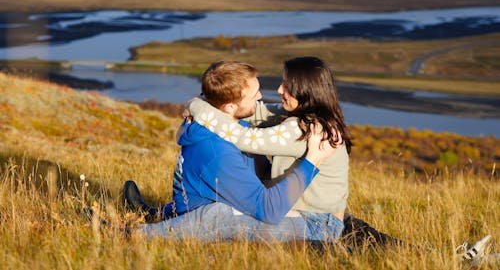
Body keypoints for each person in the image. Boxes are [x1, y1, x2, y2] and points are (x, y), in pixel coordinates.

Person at [125, 59, 400, 246]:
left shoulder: (307, 129)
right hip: (297, 211)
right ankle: (159, 214)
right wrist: (203, 102)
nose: (278, 90)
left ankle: (135, 234)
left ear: (306, 91)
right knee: (231, 193)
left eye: (287, 86)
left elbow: (245, 137)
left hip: (316, 224)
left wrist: (198, 108)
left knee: (218, 216)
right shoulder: (298, 114)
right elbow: (254, 112)